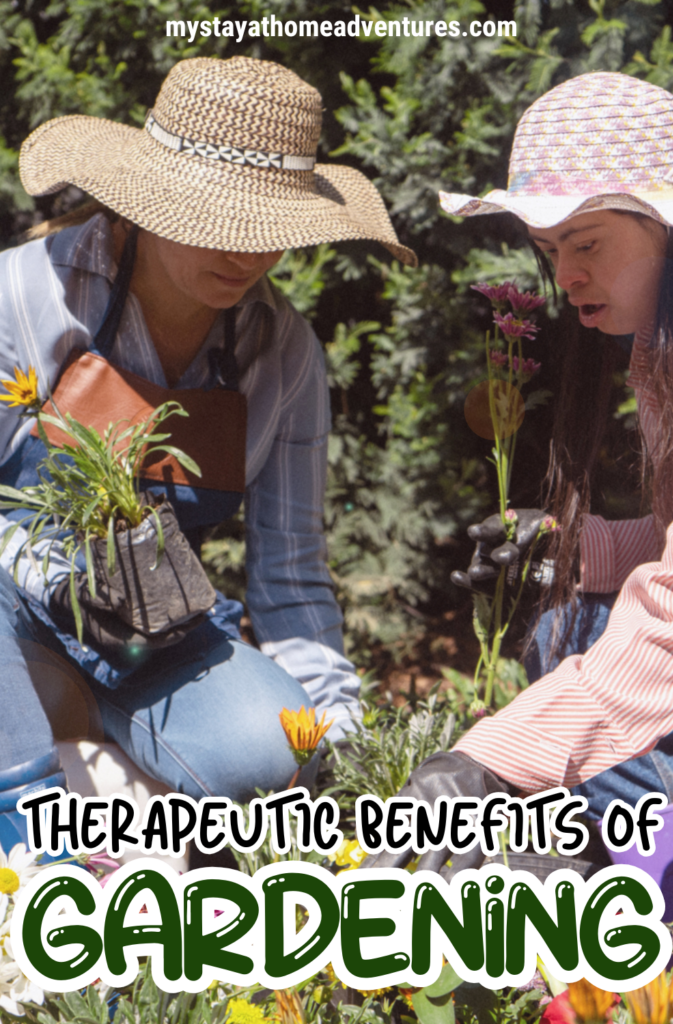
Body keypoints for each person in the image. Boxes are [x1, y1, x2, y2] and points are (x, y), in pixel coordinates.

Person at [0, 56, 416, 852]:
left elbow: (291, 580)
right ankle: (33, 857)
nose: (245, 255)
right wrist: (61, 592)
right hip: (11, 603)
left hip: (148, 637)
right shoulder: (20, 298)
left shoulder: (284, 354)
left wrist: (345, 754)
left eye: (269, 232)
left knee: (265, 750)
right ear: (144, 202)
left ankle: (75, 714)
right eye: (215, 221)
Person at [365, 71, 673, 874]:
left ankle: (616, 862)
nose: (564, 275)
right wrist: (578, 549)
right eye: (548, 251)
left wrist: (483, 765)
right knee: (563, 617)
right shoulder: (657, 348)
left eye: (586, 243)